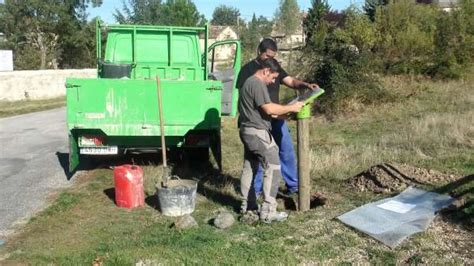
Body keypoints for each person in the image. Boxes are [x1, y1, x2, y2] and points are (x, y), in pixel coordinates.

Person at [236, 38, 319, 195]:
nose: (271, 59)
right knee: (261, 156)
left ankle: (293, 186)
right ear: (259, 52)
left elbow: (290, 81)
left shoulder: (274, 66)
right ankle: (258, 190)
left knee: (286, 152)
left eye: (273, 56)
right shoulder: (248, 71)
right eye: (268, 56)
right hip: (259, 122)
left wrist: (305, 85)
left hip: (277, 118)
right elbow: (247, 99)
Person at [238, 57, 304, 223]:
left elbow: (268, 112)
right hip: (257, 132)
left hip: (247, 130)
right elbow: (269, 108)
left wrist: (287, 115)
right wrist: (292, 107)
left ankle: (248, 207)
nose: (273, 81)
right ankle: (268, 211)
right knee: (273, 167)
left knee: (250, 167)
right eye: (273, 77)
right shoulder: (257, 83)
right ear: (266, 71)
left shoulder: (249, 83)